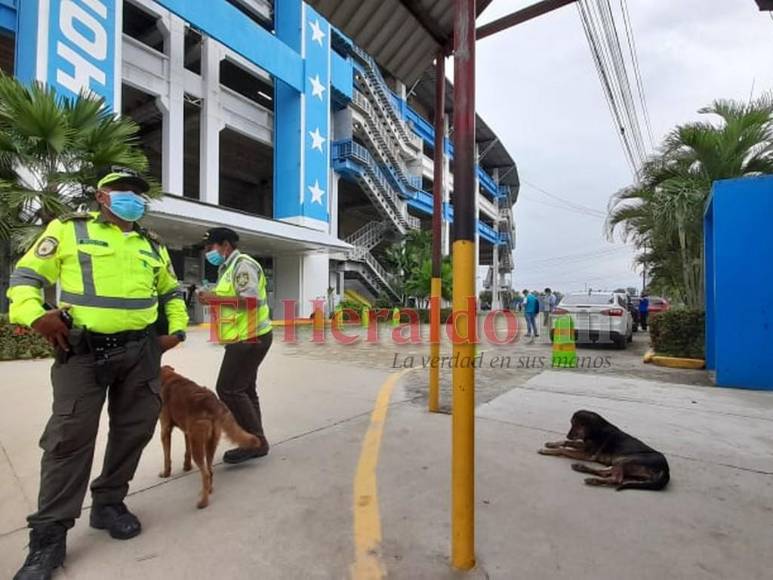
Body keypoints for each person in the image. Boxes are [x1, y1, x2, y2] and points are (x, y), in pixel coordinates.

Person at [7, 168, 188, 580]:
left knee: (135, 428)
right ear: (101, 196)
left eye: (139, 194)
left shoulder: (151, 245)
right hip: (82, 350)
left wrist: (175, 331)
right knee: (69, 439)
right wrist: (36, 316)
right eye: (123, 191)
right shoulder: (69, 230)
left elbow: (171, 292)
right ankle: (48, 538)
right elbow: (25, 278)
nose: (133, 199)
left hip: (141, 350)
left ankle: (108, 503)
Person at [197, 227, 272, 464]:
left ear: (225, 246)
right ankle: (255, 438)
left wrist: (213, 299)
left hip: (249, 338)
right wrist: (212, 296)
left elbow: (249, 301)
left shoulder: (243, 265)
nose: (208, 252)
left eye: (211, 248)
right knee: (245, 389)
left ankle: (254, 443)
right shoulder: (228, 267)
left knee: (228, 389)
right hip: (244, 337)